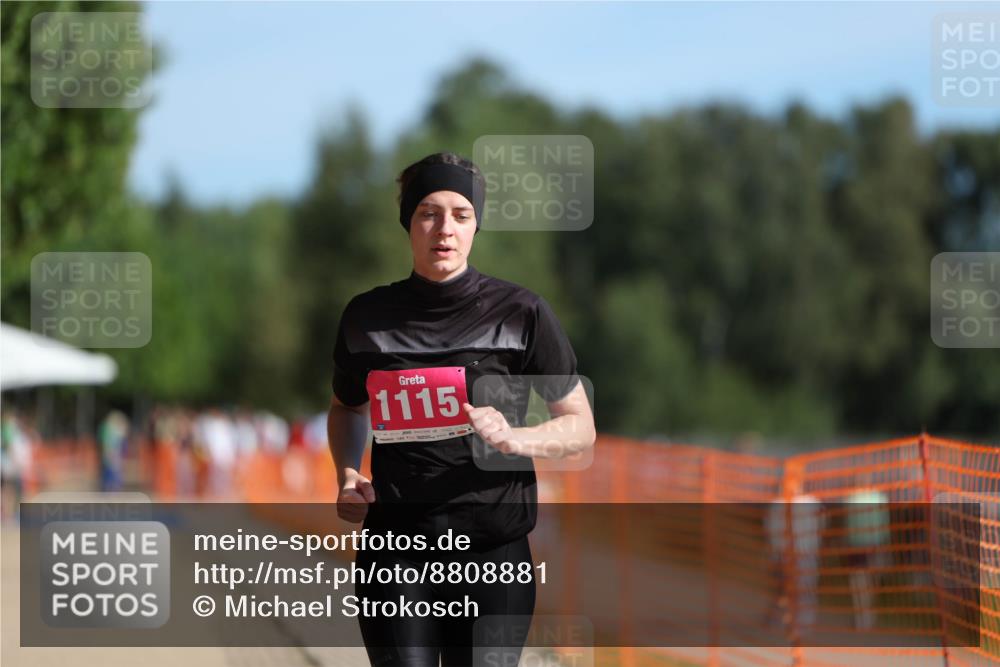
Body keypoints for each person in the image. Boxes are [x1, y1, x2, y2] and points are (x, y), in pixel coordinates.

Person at [327, 152, 596, 667]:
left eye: (461, 213)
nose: (444, 228)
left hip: (494, 551)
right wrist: (345, 473)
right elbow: (346, 407)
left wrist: (519, 439)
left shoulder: (522, 312)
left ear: (476, 225)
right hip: (397, 550)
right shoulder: (367, 317)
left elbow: (580, 426)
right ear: (408, 222)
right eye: (428, 212)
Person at [764, 480, 825, 633]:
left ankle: (794, 623)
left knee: (793, 589)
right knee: (796, 589)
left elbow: (771, 529)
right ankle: (796, 623)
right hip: (794, 552)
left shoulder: (782, 503)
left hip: (796, 551)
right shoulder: (808, 502)